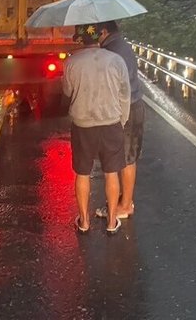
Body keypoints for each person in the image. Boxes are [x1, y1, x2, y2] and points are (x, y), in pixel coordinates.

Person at [62, 24, 131, 235]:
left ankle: (84, 222)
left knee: (82, 173)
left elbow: (67, 90)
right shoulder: (116, 60)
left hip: (83, 125)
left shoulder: (72, 62)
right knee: (112, 172)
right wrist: (122, 120)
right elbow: (125, 93)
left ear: (80, 39)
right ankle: (111, 222)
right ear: (99, 37)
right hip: (111, 123)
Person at [94, 20, 144, 221]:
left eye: (97, 32)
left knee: (125, 158)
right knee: (128, 156)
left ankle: (124, 205)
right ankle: (125, 200)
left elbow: (113, 83)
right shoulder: (122, 45)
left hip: (126, 108)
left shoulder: (112, 51)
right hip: (135, 104)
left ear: (104, 31)